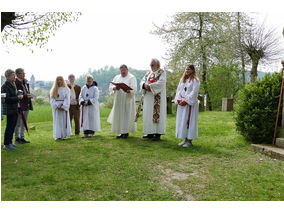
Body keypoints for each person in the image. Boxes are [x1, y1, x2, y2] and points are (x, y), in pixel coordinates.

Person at [140, 58, 167, 141]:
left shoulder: (162, 72)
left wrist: (150, 86)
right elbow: (142, 81)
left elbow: (161, 83)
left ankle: (158, 133)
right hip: (148, 98)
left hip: (157, 98)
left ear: (158, 65)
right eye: (150, 65)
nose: (151, 66)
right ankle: (149, 132)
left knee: (157, 114)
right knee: (148, 114)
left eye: (152, 65)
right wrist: (144, 85)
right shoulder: (148, 73)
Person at [107, 64, 137, 138]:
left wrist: (127, 90)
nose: (122, 72)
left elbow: (134, 88)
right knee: (119, 115)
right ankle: (121, 132)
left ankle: (126, 132)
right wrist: (115, 88)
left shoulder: (131, 77)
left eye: (124, 70)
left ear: (127, 70)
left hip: (127, 100)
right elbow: (111, 87)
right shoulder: (117, 77)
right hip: (119, 100)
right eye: (121, 71)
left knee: (126, 116)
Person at [174, 64, 200, 147]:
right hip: (182, 103)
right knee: (183, 121)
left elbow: (194, 92)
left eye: (189, 69)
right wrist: (178, 99)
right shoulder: (183, 80)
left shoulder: (195, 80)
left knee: (189, 121)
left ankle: (189, 140)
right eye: (186, 69)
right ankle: (185, 139)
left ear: (193, 70)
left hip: (189, 104)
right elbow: (178, 90)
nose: (187, 71)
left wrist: (186, 100)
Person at [1, 69, 23, 150]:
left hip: (15, 108)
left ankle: (10, 142)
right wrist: (17, 97)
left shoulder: (13, 84)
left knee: (13, 126)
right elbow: (6, 99)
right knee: (9, 127)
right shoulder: (4, 86)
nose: (14, 76)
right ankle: (6, 144)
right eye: (13, 75)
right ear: (8, 76)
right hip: (10, 109)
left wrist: (19, 95)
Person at [14, 68, 33, 144]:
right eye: (22, 73)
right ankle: (17, 138)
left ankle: (22, 137)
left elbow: (27, 91)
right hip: (20, 105)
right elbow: (18, 94)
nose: (24, 74)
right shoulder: (16, 82)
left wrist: (29, 95)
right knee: (18, 122)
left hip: (26, 104)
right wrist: (26, 96)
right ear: (18, 74)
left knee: (24, 122)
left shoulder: (25, 82)